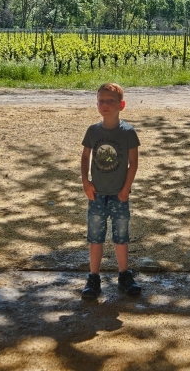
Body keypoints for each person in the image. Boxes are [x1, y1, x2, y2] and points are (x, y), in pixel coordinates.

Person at [80, 82, 141, 299]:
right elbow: (86, 156)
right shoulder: (93, 131)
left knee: (121, 237)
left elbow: (133, 163)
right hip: (96, 195)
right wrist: (86, 182)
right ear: (97, 104)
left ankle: (124, 275)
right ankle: (93, 278)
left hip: (119, 195)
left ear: (121, 105)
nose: (105, 105)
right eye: (101, 101)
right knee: (95, 237)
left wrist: (126, 190)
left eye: (110, 101)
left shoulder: (128, 133)